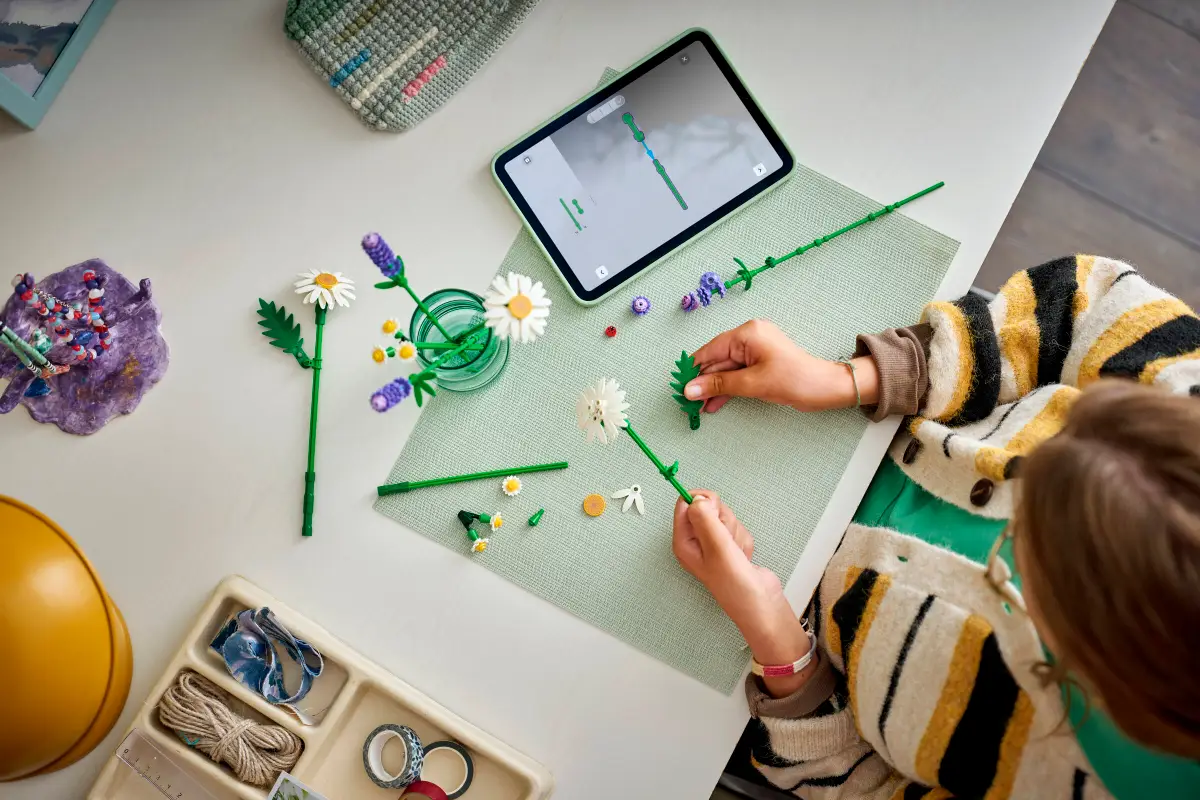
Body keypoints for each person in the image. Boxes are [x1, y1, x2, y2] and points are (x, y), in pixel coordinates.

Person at [672, 256, 1200, 799]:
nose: (1006, 490)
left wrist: (782, 649)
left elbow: (865, 785)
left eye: (1023, 530)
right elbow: (1083, 303)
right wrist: (865, 377)